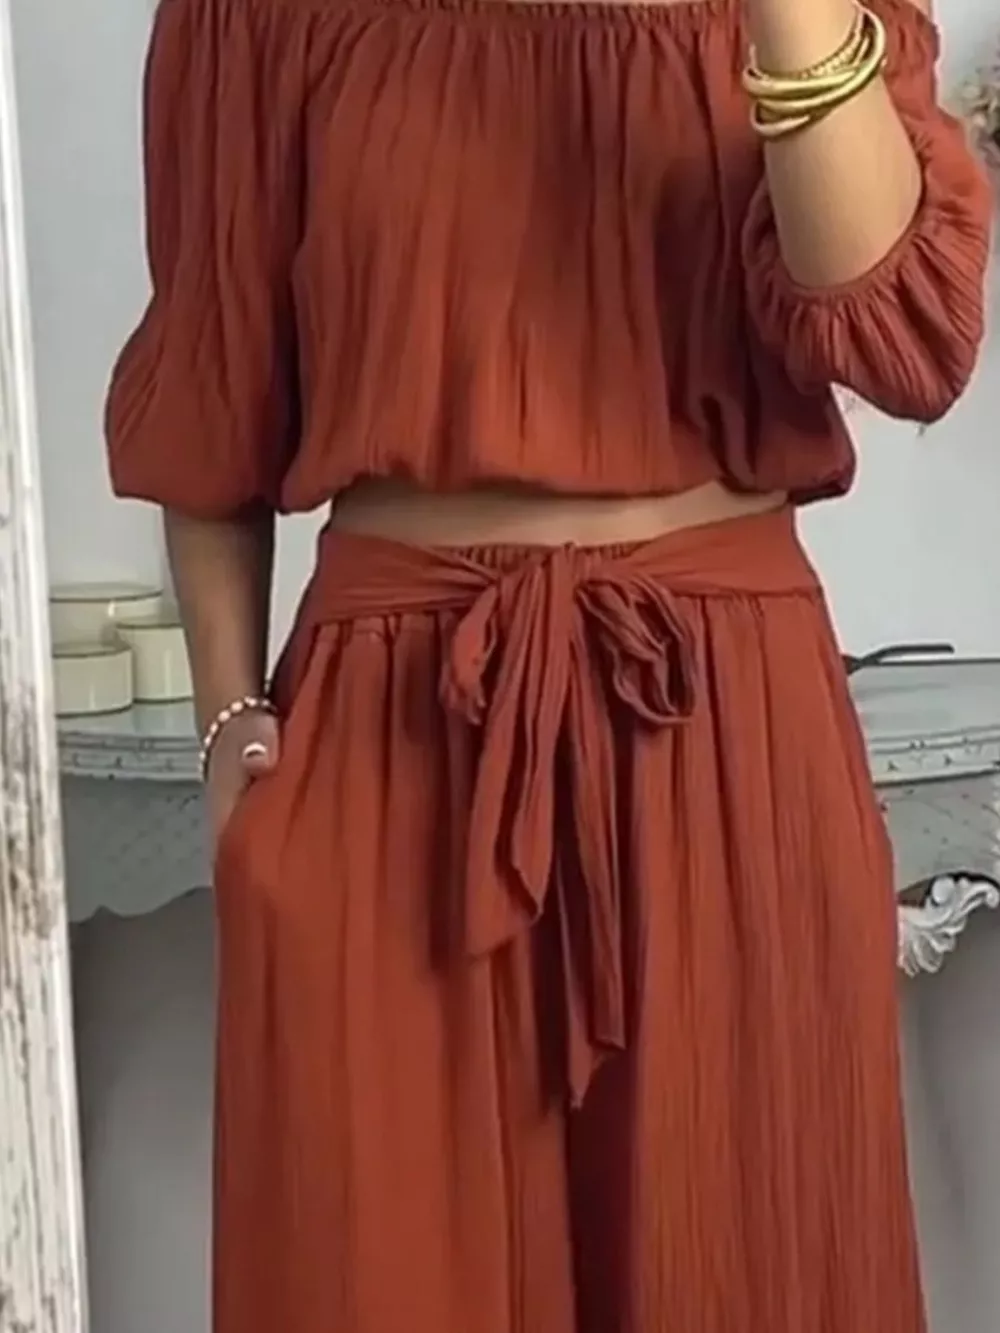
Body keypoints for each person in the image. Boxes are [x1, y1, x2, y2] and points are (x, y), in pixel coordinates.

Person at [104, 0, 991, 1328]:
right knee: (379, 1277)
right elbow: (213, 379)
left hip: (720, 715)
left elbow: (900, 334)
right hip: (391, 722)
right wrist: (227, 711)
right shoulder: (261, 17)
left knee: (739, 1263)